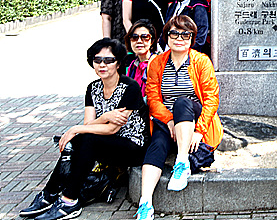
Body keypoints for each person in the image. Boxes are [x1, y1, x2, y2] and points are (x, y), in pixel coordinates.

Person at [19, 38, 148, 220]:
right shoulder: (93, 88)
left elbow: (111, 129)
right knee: (79, 140)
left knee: (86, 139)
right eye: (97, 60)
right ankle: (50, 194)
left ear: (118, 63)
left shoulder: (130, 87)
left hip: (133, 147)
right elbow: (89, 125)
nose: (102, 65)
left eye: (108, 60)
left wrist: (78, 128)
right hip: (106, 142)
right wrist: (104, 117)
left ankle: (69, 200)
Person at [136, 15, 224, 220]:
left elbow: (211, 98)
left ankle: (182, 162)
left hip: (194, 118)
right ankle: (145, 203)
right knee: (157, 145)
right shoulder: (157, 63)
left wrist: (199, 131)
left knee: (182, 102)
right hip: (166, 122)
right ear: (166, 36)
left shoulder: (201, 61)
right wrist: (168, 121)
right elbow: (153, 97)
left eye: (186, 34)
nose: (179, 38)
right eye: (174, 33)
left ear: (192, 38)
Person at [124, 19, 158, 99]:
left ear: (152, 41)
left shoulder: (158, 63)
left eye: (145, 37)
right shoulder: (132, 66)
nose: (139, 41)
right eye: (134, 37)